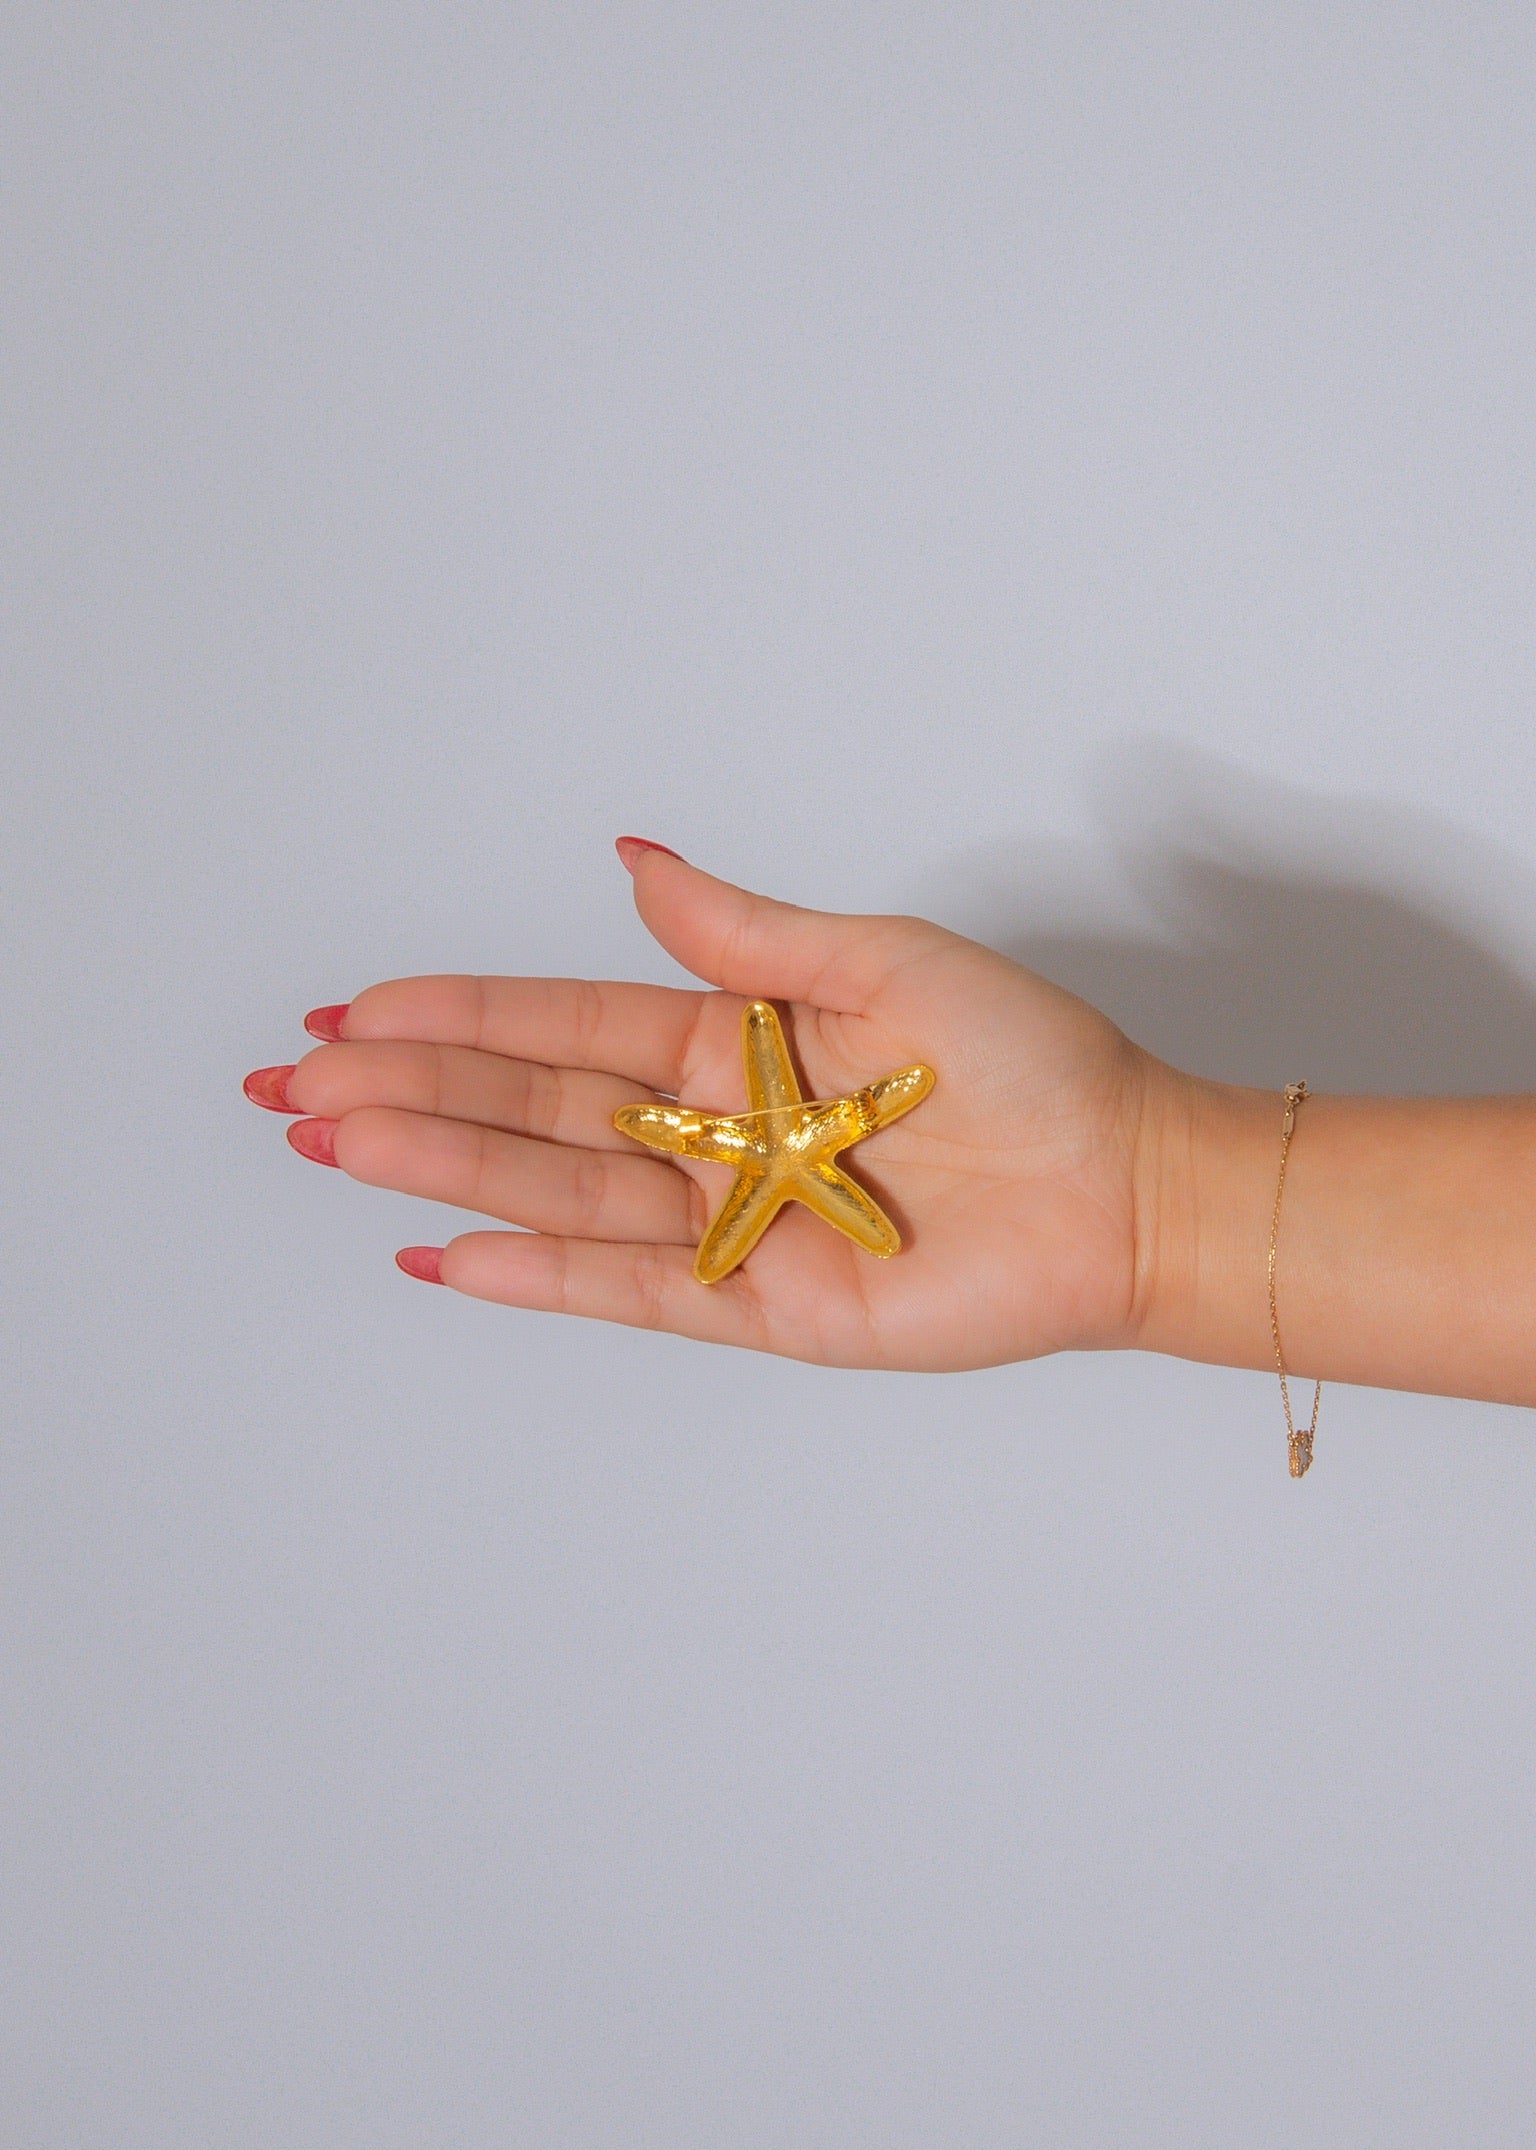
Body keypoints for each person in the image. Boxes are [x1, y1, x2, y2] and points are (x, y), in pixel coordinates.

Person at [242, 838, 1536, 1408]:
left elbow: (849, 1110)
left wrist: (1156, 1194)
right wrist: (1154, 1192)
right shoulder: (759, 1142)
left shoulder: (816, 1132)